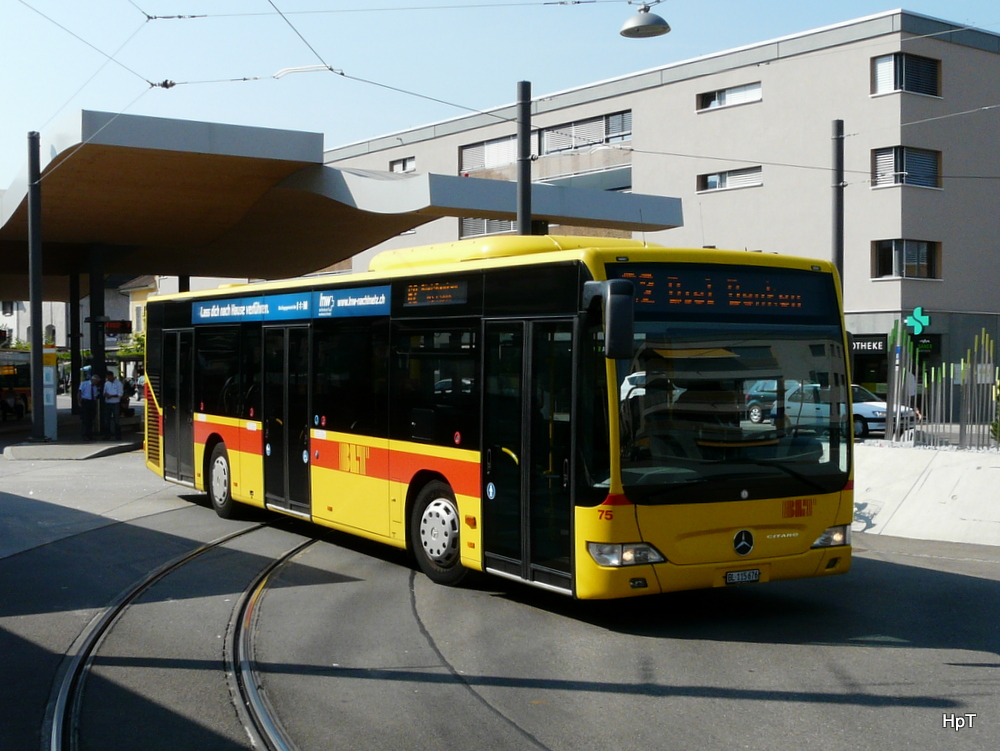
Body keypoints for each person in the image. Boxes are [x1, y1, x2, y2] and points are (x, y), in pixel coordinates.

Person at [78, 374, 101, 439]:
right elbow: (79, 393)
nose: (96, 383)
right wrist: (79, 402)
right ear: (93, 380)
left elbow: (95, 395)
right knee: (85, 419)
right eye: (96, 381)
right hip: (85, 401)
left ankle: (89, 434)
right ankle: (84, 434)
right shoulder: (84, 384)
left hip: (92, 402)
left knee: (91, 419)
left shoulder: (95, 387)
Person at [103, 370, 124, 441]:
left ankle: (118, 436)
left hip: (115, 403)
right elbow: (104, 392)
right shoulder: (106, 383)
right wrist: (106, 395)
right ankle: (107, 435)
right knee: (107, 419)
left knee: (116, 419)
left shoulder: (118, 383)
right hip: (108, 402)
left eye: (108, 377)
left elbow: (120, 394)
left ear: (111, 376)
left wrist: (111, 396)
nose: (108, 379)